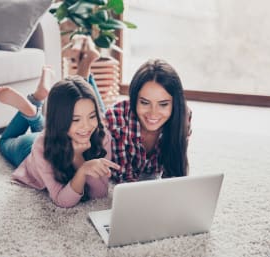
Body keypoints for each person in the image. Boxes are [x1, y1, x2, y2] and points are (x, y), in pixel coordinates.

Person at [66, 36, 192, 183]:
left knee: (98, 108)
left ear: (175, 103)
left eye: (163, 104)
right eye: (145, 102)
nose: (153, 113)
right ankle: (85, 64)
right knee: (82, 106)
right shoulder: (115, 120)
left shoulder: (183, 116)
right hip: (105, 123)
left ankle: (87, 61)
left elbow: (175, 173)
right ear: (134, 99)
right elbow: (124, 177)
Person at [0, 65, 120, 208]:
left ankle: (34, 112)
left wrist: (81, 161)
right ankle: (33, 106)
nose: (86, 126)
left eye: (92, 116)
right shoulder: (41, 146)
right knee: (4, 142)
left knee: (59, 131)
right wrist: (81, 165)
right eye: (76, 119)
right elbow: (62, 200)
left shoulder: (102, 136)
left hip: (57, 133)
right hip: (30, 150)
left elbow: (100, 193)